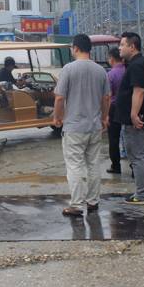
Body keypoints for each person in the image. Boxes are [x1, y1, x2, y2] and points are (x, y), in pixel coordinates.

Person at [53, 34, 111, 217]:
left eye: (72, 47)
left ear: (76, 48)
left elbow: (60, 97)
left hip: (74, 128)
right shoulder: (100, 70)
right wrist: (104, 118)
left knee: (75, 166)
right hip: (94, 126)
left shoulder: (68, 69)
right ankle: (93, 201)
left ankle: (77, 205)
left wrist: (57, 117)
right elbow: (107, 97)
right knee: (93, 165)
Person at [117, 31, 144, 205]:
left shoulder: (137, 65)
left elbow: (138, 91)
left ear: (132, 47)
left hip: (136, 121)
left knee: (138, 158)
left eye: (122, 44)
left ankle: (142, 195)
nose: (119, 48)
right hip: (143, 118)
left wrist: (133, 114)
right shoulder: (139, 63)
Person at [106, 48, 126, 174]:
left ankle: (116, 165)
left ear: (111, 59)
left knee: (113, 138)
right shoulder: (128, 70)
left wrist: (106, 114)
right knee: (130, 135)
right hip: (128, 107)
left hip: (114, 108)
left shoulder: (110, 75)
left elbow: (108, 96)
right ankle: (135, 167)